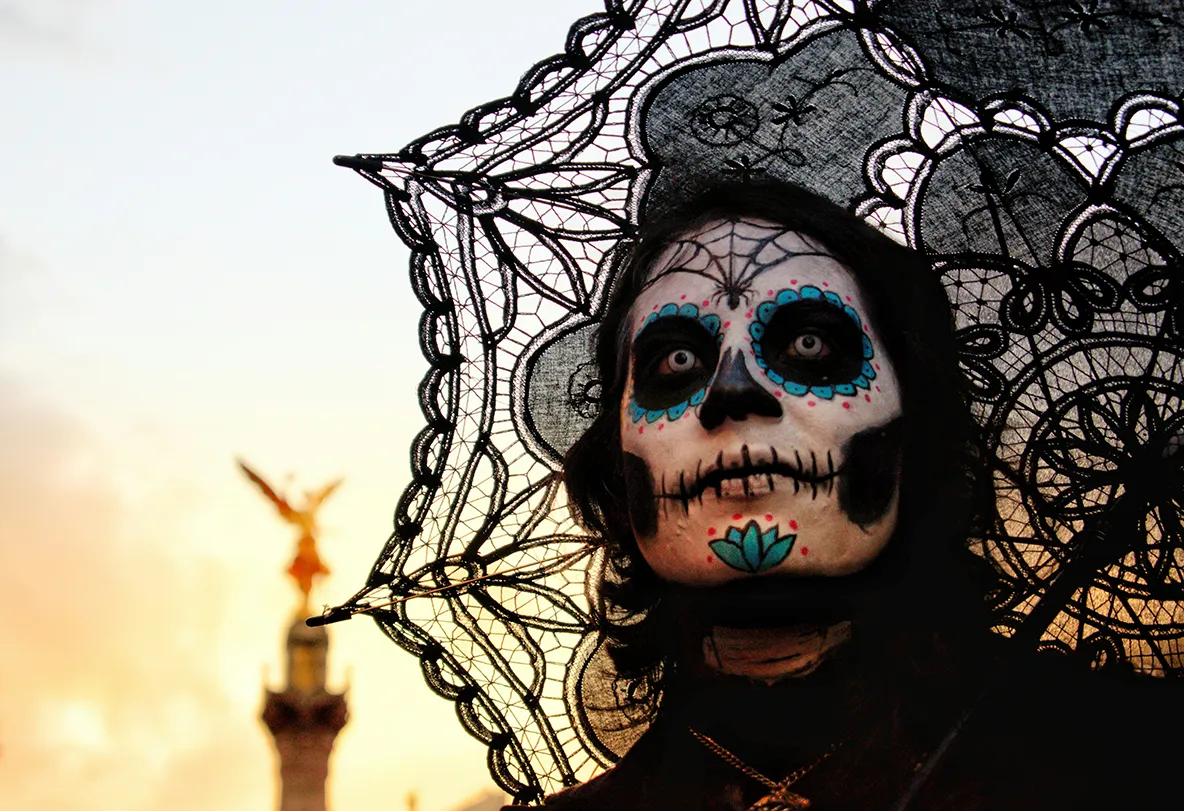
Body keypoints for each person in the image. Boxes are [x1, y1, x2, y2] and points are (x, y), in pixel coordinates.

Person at [502, 181, 1179, 810]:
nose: (733, 391)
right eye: (676, 361)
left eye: (808, 342)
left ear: (914, 424)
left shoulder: (1136, 764)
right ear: (619, 467)